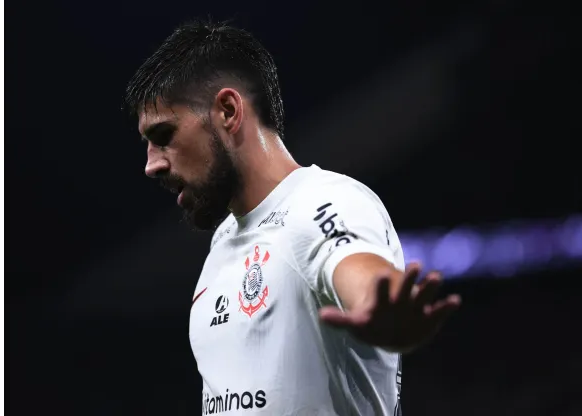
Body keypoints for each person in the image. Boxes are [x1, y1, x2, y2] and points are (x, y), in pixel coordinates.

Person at [125, 19, 461, 416]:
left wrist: (378, 304)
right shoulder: (225, 238)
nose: (151, 165)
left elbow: (358, 271)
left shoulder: (325, 201)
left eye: (164, 135)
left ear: (228, 111)